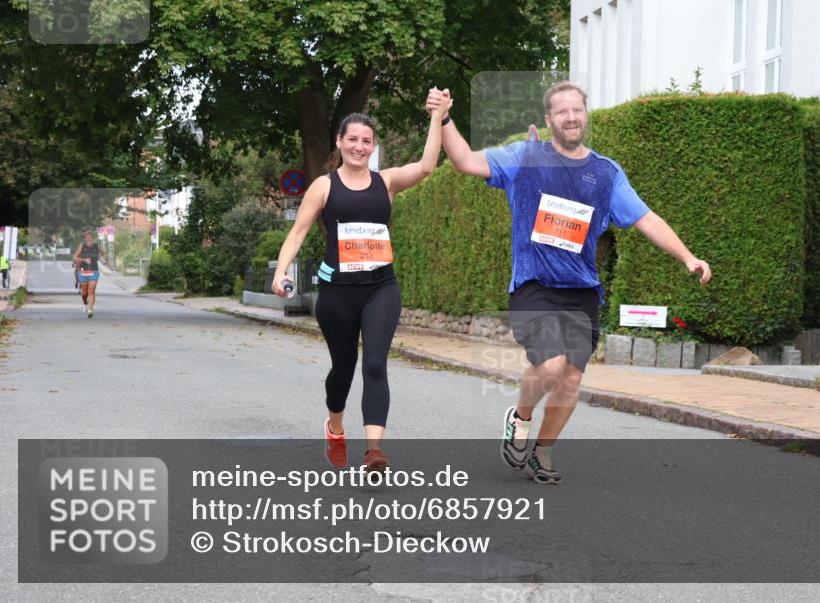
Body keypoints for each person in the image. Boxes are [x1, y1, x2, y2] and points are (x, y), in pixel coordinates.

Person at [426, 82, 713, 484]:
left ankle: (543, 451)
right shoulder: (525, 157)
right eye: (562, 112)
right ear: (548, 120)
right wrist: (445, 117)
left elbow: (646, 218)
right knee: (551, 366)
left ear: (586, 115)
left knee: (571, 379)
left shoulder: (605, 173)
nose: (571, 117)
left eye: (577, 110)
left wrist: (687, 256)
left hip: (581, 292)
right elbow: (464, 161)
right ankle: (520, 419)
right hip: (534, 285)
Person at [272, 95, 452, 471]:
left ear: (374, 146)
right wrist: (280, 270)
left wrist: (438, 117)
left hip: (380, 288)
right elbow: (298, 232)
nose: (359, 147)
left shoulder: (385, 181)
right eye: (352, 139)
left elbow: (426, 166)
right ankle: (336, 427)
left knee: (374, 363)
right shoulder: (324, 186)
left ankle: (374, 451)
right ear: (340, 142)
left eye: (366, 141)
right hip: (337, 293)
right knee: (343, 367)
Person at [73, 231, 106, 318]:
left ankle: (90, 309)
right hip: (83, 271)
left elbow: (103, 254)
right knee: (84, 293)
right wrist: (83, 260)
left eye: (90, 238)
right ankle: (85, 303)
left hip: (94, 271)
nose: (89, 239)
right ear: (85, 239)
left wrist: (104, 259)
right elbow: (75, 257)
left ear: (93, 238)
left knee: (91, 291)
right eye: (87, 238)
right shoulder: (82, 246)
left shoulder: (96, 247)